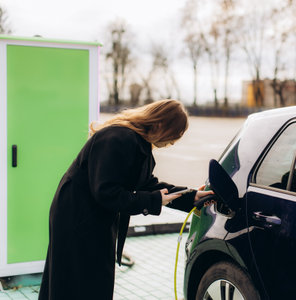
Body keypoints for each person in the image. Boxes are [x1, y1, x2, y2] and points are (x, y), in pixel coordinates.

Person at [38, 99, 213, 300]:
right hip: (77, 218)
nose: (172, 143)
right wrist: (152, 201)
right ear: (159, 125)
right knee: (78, 280)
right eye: (174, 136)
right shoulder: (117, 138)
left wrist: (190, 196)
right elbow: (106, 192)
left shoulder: (138, 143)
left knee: (88, 280)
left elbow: (147, 185)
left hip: (92, 217)